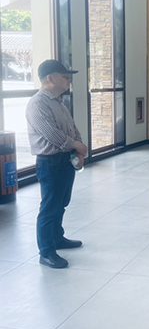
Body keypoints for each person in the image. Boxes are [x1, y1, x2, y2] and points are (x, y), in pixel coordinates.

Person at [26, 60, 87, 269]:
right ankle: (46, 252)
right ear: (50, 78)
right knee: (50, 207)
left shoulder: (58, 101)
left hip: (65, 160)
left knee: (62, 203)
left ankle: (57, 238)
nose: (68, 79)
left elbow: (72, 128)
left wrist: (78, 149)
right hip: (50, 162)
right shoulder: (38, 103)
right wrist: (76, 145)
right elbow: (52, 134)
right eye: (64, 76)